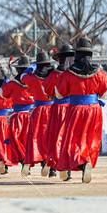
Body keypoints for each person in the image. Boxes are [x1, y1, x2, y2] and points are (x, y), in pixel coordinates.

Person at [55, 36, 107, 183]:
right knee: (90, 140)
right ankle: (87, 161)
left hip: (75, 110)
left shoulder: (68, 73)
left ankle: (81, 163)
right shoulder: (99, 73)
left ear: (76, 54)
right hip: (94, 110)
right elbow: (105, 94)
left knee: (73, 140)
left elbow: (59, 94)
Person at [42, 44, 75, 180]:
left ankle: (55, 167)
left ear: (60, 59)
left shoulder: (55, 74)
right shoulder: (76, 73)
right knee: (71, 138)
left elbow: (46, 91)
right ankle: (68, 169)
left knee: (56, 138)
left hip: (58, 109)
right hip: (73, 108)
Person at [20, 51, 54, 177]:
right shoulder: (53, 77)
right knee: (51, 138)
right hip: (52, 111)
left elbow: (22, 76)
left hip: (38, 111)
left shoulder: (31, 78)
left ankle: (29, 164)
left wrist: (32, 65)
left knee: (34, 138)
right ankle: (52, 167)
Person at [0, 55, 34, 175]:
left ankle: (24, 161)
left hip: (18, 116)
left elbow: (2, 94)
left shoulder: (13, 84)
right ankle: (48, 167)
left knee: (16, 140)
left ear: (18, 70)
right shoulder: (34, 81)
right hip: (32, 115)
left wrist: (7, 79)